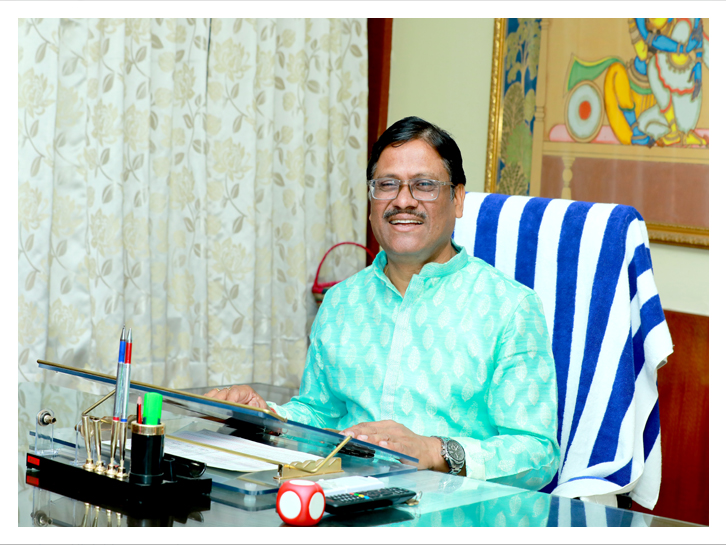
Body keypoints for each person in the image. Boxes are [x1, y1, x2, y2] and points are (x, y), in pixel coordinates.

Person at [206, 116, 560, 490]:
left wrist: (433, 451)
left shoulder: (510, 308)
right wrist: (266, 418)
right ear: (371, 200)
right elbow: (321, 413)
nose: (403, 201)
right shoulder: (341, 302)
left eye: (424, 185)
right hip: (345, 504)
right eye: (387, 185)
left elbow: (537, 455)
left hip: (455, 513)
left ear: (457, 199)